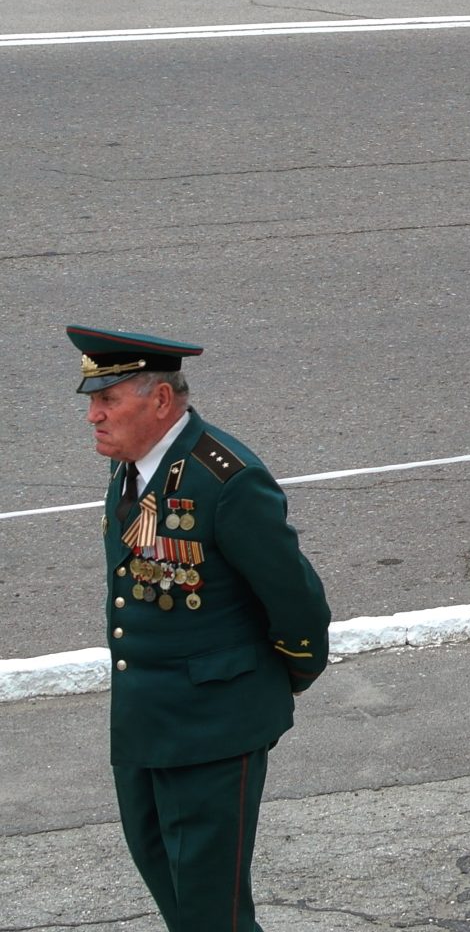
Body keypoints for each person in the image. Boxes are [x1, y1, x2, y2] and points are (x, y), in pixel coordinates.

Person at [66, 324, 332, 932]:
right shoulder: (135, 466)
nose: (94, 416)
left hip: (215, 726)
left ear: (160, 401)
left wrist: (274, 680)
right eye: (92, 401)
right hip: (146, 722)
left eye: (107, 400)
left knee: (213, 913)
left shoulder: (227, 480)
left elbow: (296, 600)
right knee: (175, 893)